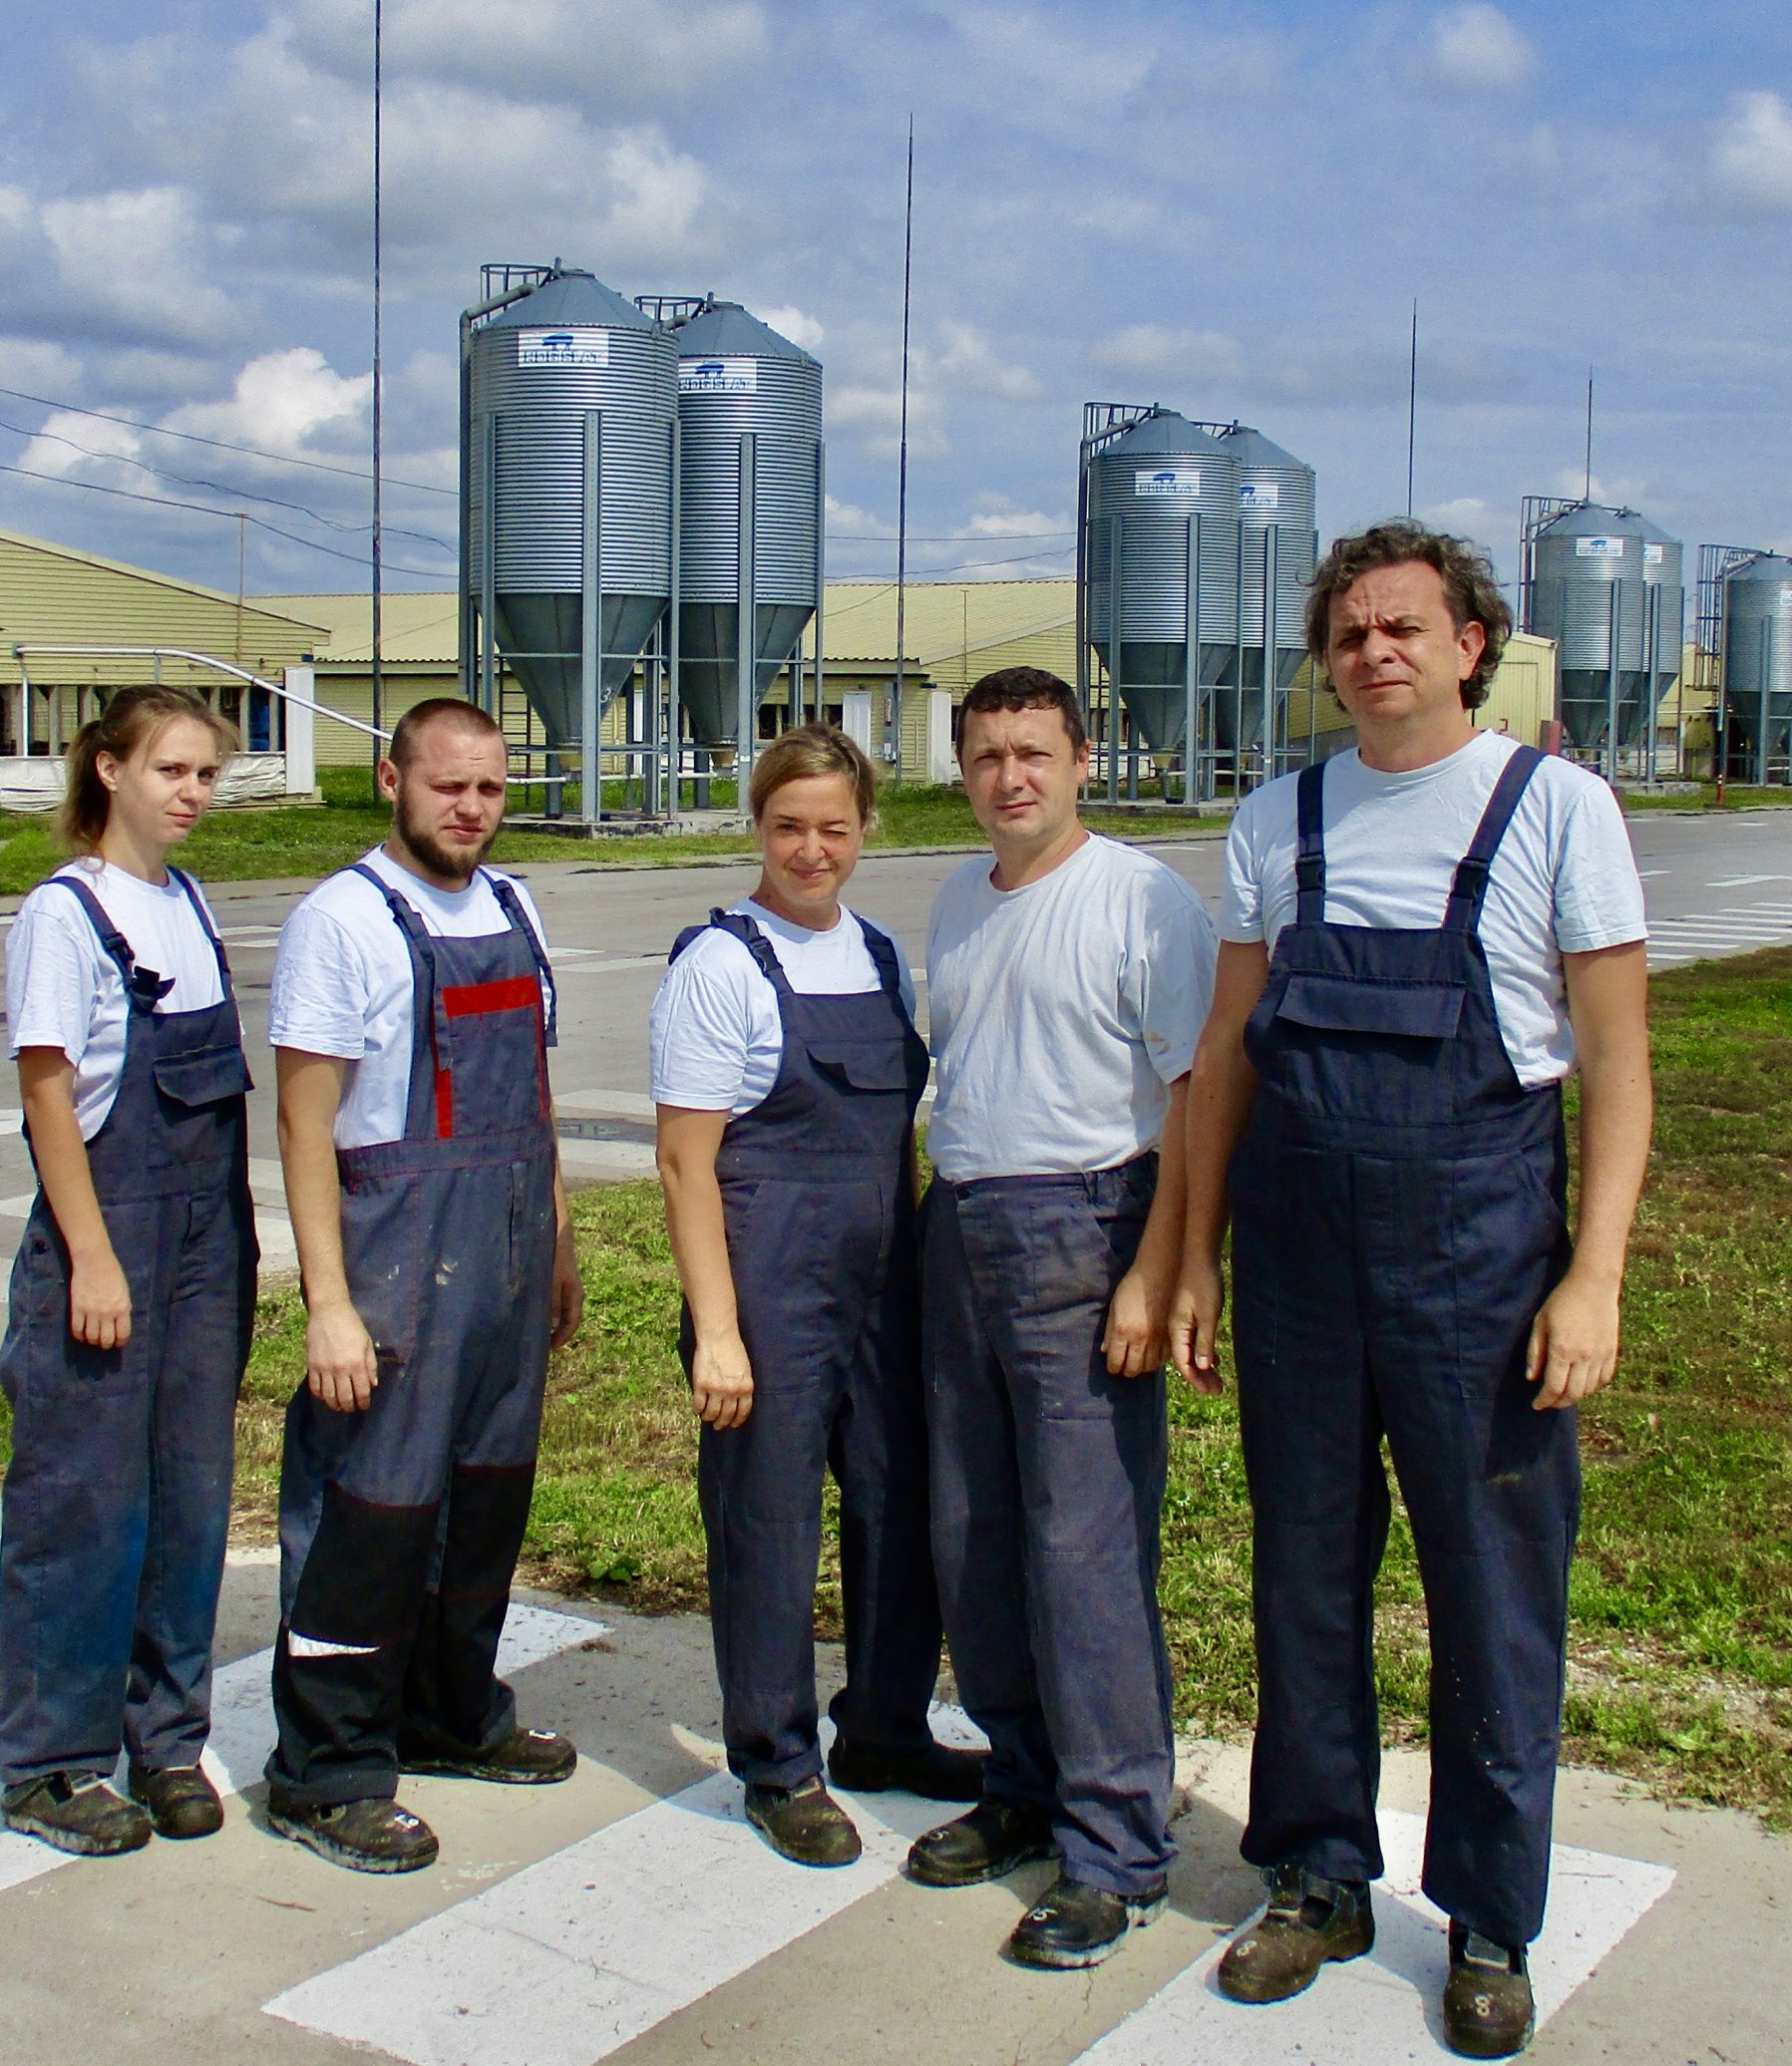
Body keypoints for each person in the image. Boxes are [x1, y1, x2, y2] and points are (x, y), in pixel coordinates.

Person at [1170, 523, 1651, 2059]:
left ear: (1469, 645)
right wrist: (1192, 1253)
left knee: (1492, 1590)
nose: (1377, 651)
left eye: (1406, 627)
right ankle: (1316, 1870)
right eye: (1351, 631)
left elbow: (1624, 1073)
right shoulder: (1278, 820)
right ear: (1327, 658)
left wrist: (1594, 1278)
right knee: (1306, 1566)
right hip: (1302, 1256)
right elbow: (1226, 1063)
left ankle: (1493, 1914)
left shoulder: (1559, 809)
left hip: (1483, 1261)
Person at [896, 669, 1216, 1969]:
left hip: (1088, 1230)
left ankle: (1117, 1843)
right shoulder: (959, 898)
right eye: (985, 756)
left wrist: (1159, 1268)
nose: (1009, 776)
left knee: (1083, 1548)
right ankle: (1022, 1781)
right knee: (973, 1529)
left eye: (1034, 752)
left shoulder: (1143, 898)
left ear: (1083, 760)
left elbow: (1198, 1096)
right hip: (963, 1225)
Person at [262, 696, 585, 1873]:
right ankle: (327, 1767)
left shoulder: (512, 903)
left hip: (502, 1250)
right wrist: (328, 1301)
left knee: (485, 1497)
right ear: (391, 776)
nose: (470, 809)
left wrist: (554, 1240)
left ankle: (450, 1716)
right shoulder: (338, 921)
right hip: (396, 1251)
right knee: (373, 1511)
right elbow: (303, 1125)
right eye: (448, 785)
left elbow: (536, 1091)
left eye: (490, 788)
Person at [649, 725, 978, 1869]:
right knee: (768, 1524)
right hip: (767, 1285)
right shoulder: (720, 965)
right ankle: (777, 1760)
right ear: (757, 825)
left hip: (887, 1278)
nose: (810, 848)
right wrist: (721, 1331)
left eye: (833, 827)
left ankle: (885, 1725)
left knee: (901, 1508)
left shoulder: (881, 953)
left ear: (865, 829)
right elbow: (686, 1160)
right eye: (788, 825)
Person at [0, 684, 258, 1857]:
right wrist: (93, 1258)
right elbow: (48, 1091)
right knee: (84, 1499)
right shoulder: (66, 914)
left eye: (205, 773)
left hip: (204, 1234)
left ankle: (164, 1737)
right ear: (108, 770)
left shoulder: (186, 902)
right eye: (171, 771)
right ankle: (52, 1761)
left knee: (190, 1489)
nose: (192, 793)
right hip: (109, 1230)